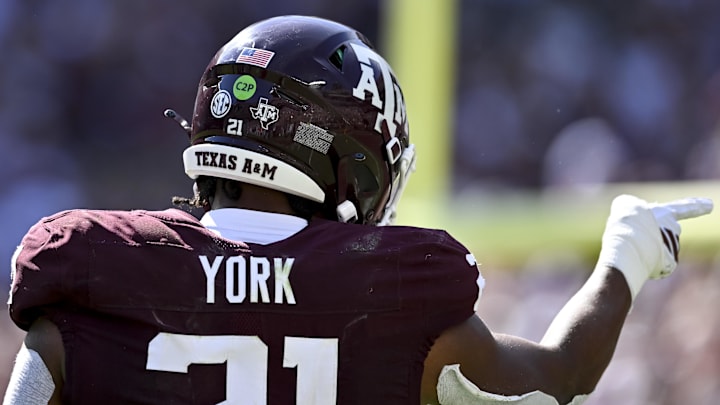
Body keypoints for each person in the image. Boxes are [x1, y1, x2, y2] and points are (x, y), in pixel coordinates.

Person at [2, 15, 713, 405]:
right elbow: (562, 377)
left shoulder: (91, 288)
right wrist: (625, 256)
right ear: (352, 160)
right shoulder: (404, 312)